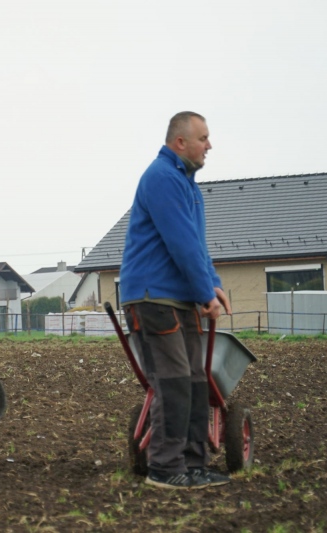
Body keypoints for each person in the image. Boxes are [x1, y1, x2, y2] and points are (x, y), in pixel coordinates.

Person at [119, 111, 232, 490]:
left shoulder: (188, 185)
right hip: (154, 298)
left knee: (197, 381)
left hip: (179, 299)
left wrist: (212, 284)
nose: (209, 145)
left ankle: (194, 464)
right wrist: (204, 293)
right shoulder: (162, 178)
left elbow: (196, 245)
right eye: (203, 138)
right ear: (180, 142)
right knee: (173, 382)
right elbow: (180, 244)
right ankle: (165, 468)